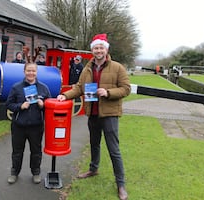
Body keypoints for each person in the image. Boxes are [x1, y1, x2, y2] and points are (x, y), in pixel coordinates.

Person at [57, 33, 130, 200]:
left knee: (114, 150)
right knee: (94, 144)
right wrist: (65, 95)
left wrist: (108, 92)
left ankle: (120, 184)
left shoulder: (117, 67)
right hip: (93, 114)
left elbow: (126, 89)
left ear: (106, 49)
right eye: (96, 48)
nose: (98, 50)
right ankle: (93, 169)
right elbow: (78, 88)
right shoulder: (87, 68)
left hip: (110, 114)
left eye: (101, 47)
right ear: (92, 50)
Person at [6, 62, 51, 184]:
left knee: (36, 151)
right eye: (28, 71)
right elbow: (8, 104)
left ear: (36, 72)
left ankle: (36, 172)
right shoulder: (16, 87)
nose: (31, 73)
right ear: (24, 72)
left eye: (33, 71)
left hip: (36, 127)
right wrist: (20, 106)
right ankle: (14, 172)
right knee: (17, 151)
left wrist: (43, 105)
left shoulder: (43, 88)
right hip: (18, 126)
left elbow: (50, 107)